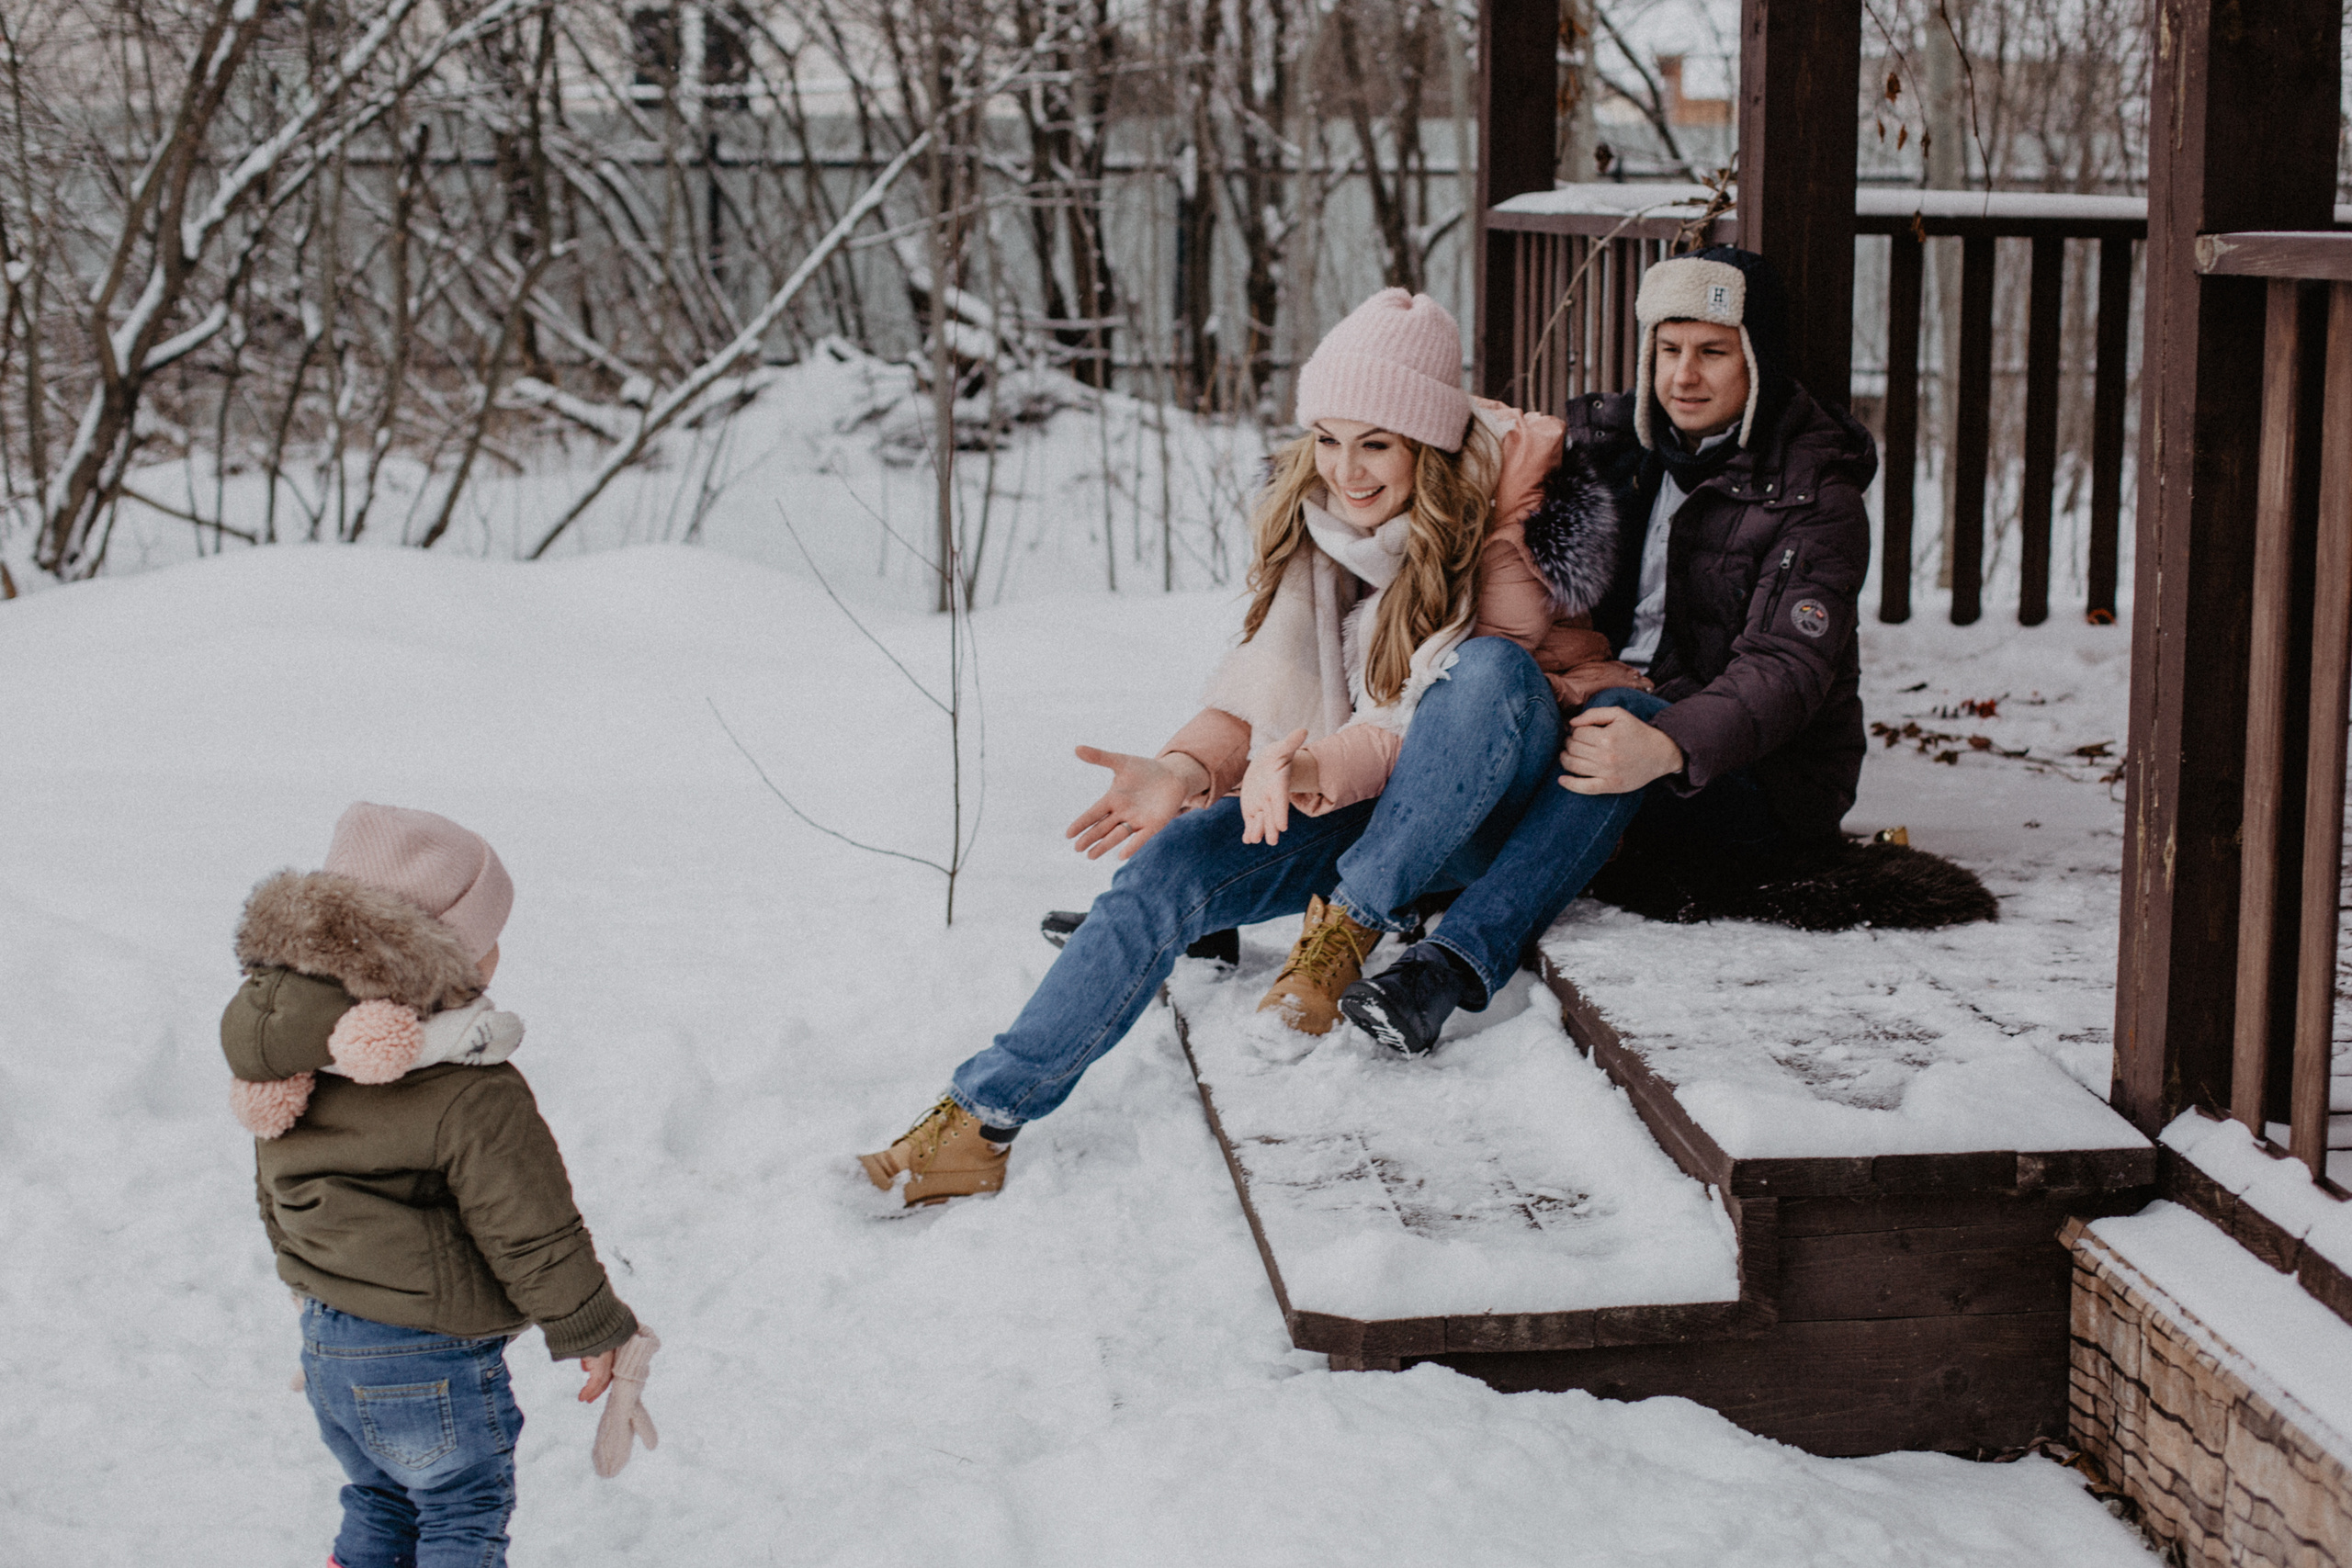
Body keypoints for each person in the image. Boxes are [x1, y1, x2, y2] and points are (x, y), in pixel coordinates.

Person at [859, 288, 1635, 1206]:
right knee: (1173, 864)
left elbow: (1420, 729)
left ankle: (1353, 922)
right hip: (1359, 797)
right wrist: (1185, 768)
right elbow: (1262, 681)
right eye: (1331, 439)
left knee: (1490, 671)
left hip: (1486, 802)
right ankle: (978, 1120)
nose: (1347, 470)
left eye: (1376, 443)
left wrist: (1305, 770)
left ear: (1425, 444)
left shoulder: (1496, 525)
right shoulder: (1318, 528)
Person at [1336, 244, 1878, 1056]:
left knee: (1613, 721)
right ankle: (1223, 881)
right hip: (1601, 700)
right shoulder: (1614, 452)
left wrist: (1666, 741)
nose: (1684, 376)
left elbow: (1787, 670)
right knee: (1471, 696)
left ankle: (1444, 969)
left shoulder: (1814, 495)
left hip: (1756, 771)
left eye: (1713, 351)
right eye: (1668, 350)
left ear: (1756, 359)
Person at [221, 802, 653, 1568]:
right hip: (427, 1357)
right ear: (446, 955)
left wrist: (308, 1286)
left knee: (381, 1501)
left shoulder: (291, 1065)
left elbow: (277, 1187)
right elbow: (530, 1228)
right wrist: (594, 1327)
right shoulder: (471, 1085)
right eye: (486, 941)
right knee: (462, 1509)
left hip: (327, 1341)